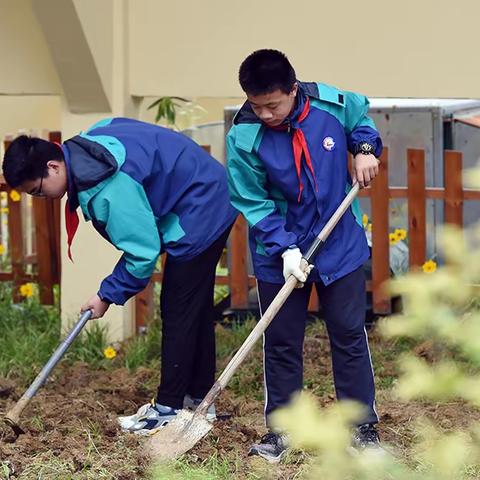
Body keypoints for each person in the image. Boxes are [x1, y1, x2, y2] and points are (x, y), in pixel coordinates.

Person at [3, 118, 237, 434]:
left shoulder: (107, 188)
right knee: (191, 309)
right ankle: (199, 401)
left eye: (38, 191)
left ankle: (169, 408)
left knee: (179, 310)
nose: (39, 198)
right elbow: (126, 127)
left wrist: (106, 294)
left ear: (53, 167)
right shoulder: (87, 142)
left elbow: (143, 254)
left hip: (200, 207)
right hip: (206, 188)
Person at [226, 49, 383, 462]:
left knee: (348, 334)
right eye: (256, 105)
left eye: (272, 105)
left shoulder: (330, 103)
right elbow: (251, 200)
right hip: (278, 250)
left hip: (339, 243)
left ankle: (361, 426)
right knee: (280, 341)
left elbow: (361, 121)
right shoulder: (244, 135)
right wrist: (285, 249)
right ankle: (282, 430)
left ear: (293, 90)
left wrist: (365, 148)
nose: (264, 114)